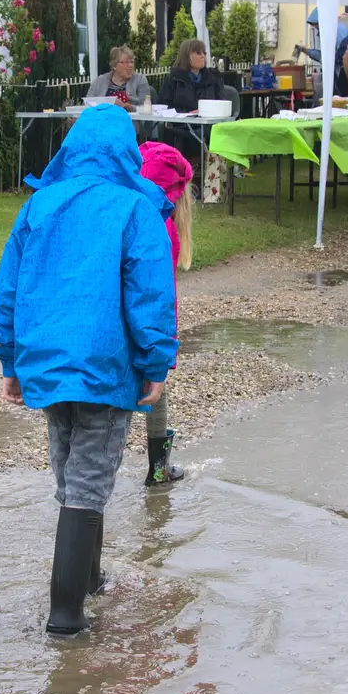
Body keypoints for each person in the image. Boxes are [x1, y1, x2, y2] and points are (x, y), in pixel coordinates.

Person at [0, 104, 178, 635]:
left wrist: (11, 359)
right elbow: (150, 296)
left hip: (47, 368)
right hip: (106, 366)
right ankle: (65, 617)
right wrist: (155, 361)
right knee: (88, 483)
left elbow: (9, 289)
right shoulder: (135, 209)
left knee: (71, 474)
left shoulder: (39, 206)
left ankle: (89, 577)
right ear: (126, 153)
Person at [138, 141, 195, 487]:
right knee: (156, 387)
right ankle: (158, 468)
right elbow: (164, 298)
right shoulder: (166, 227)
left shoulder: (126, 210)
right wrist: (165, 351)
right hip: (145, 323)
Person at [157, 38, 231, 160]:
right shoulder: (173, 79)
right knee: (189, 135)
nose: (203, 56)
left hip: (208, 124)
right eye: (198, 53)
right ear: (187, 56)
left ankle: (203, 172)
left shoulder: (213, 78)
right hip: (181, 125)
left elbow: (221, 103)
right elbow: (163, 106)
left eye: (204, 53)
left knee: (206, 133)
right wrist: (187, 113)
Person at [87, 45, 152, 108]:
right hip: (101, 118)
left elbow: (146, 108)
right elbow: (87, 103)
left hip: (129, 118)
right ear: (114, 66)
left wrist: (130, 108)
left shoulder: (140, 80)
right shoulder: (99, 81)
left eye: (132, 62)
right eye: (126, 62)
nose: (130, 65)